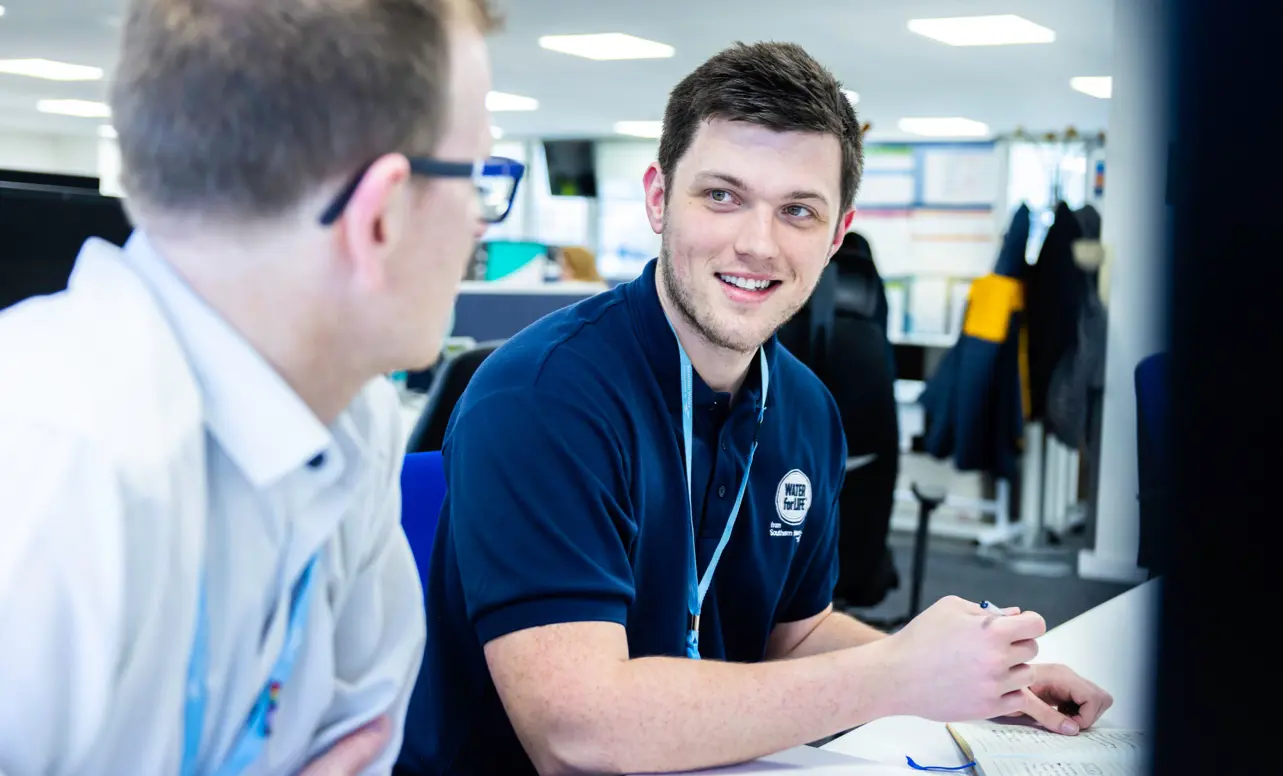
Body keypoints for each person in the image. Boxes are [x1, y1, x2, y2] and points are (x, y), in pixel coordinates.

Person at [398, 41, 1112, 775]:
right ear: (656, 197)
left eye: (797, 210)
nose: (756, 243)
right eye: (721, 196)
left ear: (836, 235)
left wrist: (979, 679)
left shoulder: (804, 409)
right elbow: (578, 734)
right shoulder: (544, 397)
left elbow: (792, 636)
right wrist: (897, 675)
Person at [0, 0, 513, 773]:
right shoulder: (50, 464)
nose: (481, 223)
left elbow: (362, 743)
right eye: (476, 179)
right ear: (378, 218)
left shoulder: (353, 414)